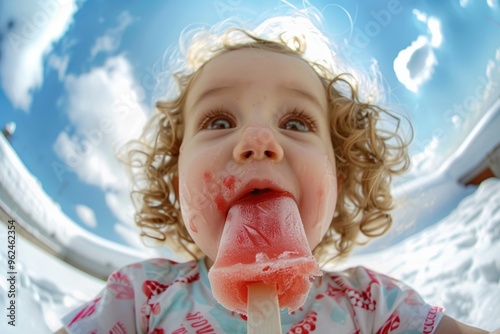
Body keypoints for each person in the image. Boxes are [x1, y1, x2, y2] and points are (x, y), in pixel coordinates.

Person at [58, 9, 497, 334]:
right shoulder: (137, 301)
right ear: (176, 179)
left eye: (296, 123)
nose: (256, 140)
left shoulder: (376, 307)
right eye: (219, 122)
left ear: (337, 179)